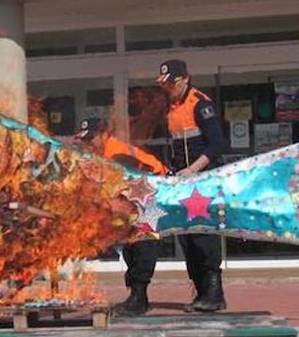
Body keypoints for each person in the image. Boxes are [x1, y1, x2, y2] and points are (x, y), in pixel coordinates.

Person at [75, 118, 168, 317]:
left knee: (142, 243)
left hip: (152, 195)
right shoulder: (104, 153)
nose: (88, 143)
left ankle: (139, 298)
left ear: (103, 135)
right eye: (85, 139)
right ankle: (137, 296)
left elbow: (122, 186)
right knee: (130, 243)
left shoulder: (117, 154)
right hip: (138, 196)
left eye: (91, 138)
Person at [155, 59, 227, 312]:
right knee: (187, 239)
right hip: (183, 183)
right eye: (165, 85)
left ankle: (215, 294)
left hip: (202, 180)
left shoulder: (200, 104)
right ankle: (200, 292)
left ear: (184, 79)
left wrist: (194, 169)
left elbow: (217, 144)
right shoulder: (172, 107)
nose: (168, 89)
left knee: (204, 236)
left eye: (171, 84)